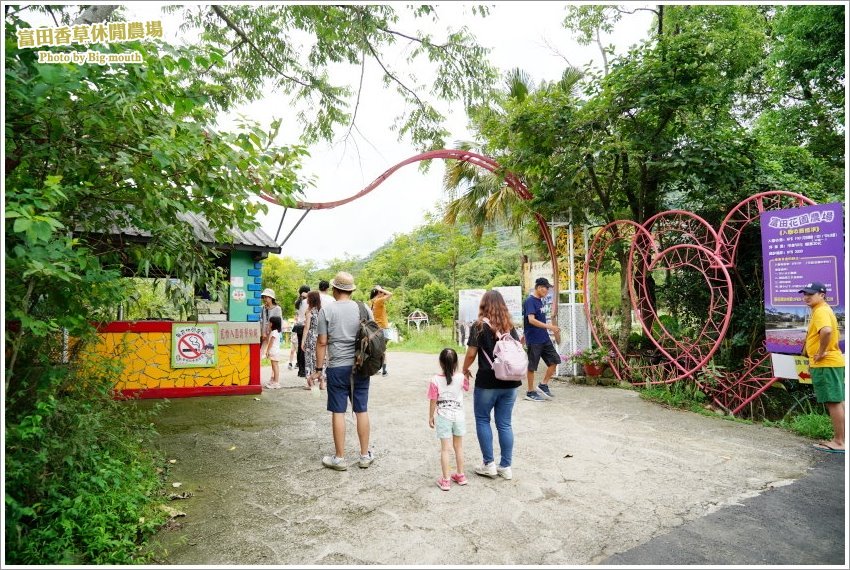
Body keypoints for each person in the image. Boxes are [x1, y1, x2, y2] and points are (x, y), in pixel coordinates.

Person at [315, 271, 376, 471]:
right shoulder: (364, 308)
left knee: (338, 412)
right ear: (351, 290)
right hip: (360, 365)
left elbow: (322, 342)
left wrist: (317, 368)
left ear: (335, 289)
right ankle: (364, 455)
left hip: (337, 367)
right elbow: (374, 335)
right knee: (361, 409)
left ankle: (339, 458)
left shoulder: (327, 311)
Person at [461, 289, 522, 480]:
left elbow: (471, 354)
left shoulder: (479, 326)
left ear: (483, 305)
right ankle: (506, 466)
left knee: (482, 419)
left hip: (487, 381)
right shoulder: (509, 326)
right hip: (511, 381)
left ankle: (489, 464)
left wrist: (464, 369)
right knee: (504, 423)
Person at [799, 281, 845, 453]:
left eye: (811, 294)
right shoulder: (823, 310)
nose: (807, 297)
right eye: (805, 294)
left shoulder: (821, 311)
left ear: (822, 295)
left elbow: (826, 331)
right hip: (831, 363)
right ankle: (841, 439)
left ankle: (839, 442)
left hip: (826, 363)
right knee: (837, 401)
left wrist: (821, 352)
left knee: (833, 402)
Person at [428, 347, 470, 491]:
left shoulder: (435, 380)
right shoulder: (461, 377)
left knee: (445, 449)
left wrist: (430, 416)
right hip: (458, 416)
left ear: (441, 362)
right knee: (459, 447)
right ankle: (461, 475)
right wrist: (466, 376)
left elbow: (433, 399)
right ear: (456, 362)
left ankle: (446, 480)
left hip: (443, 417)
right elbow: (466, 387)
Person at [523, 277, 561, 402]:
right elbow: (531, 320)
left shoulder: (540, 301)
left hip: (543, 337)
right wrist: (550, 327)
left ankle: (543, 384)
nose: (547, 291)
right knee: (532, 366)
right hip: (534, 339)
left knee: (554, 360)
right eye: (545, 288)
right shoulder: (530, 301)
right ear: (539, 287)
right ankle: (530, 392)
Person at [301, 290, 323, 390]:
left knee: (309, 359)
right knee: (318, 359)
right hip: (319, 336)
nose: (307, 300)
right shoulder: (321, 311)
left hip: (311, 337)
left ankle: (310, 382)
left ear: (311, 299)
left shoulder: (309, 312)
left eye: (308, 298)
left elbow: (306, 327)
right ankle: (322, 381)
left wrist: (302, 341)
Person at [370, 285, 393, 376]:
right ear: (379, 293)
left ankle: (376, 369)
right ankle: (384, 371)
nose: (384, 294)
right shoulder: (379, 301)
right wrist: (380, 289)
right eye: (382, 292)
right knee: (383, 350)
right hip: (383, 328)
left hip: (374, 329)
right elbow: (390, 294)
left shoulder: (371, 302)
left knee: (376, 350)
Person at [293, 285, 310, 378]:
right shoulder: (308, 301)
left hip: (298, 326)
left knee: (300, 348)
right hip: (305, 326)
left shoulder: (298, 302)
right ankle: (304, 370)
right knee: (304, 349)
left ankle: (300, 370)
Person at [262, 315, 283, 389]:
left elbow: (271, 343)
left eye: (270, 322)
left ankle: (276, 382)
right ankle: (274, 381)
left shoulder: (274, 332)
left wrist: (267, 351)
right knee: (275, 367)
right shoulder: (276, 332)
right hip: (276, 351)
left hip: (273, 351)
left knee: (275, 367)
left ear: (273, 324)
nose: (268, 324)